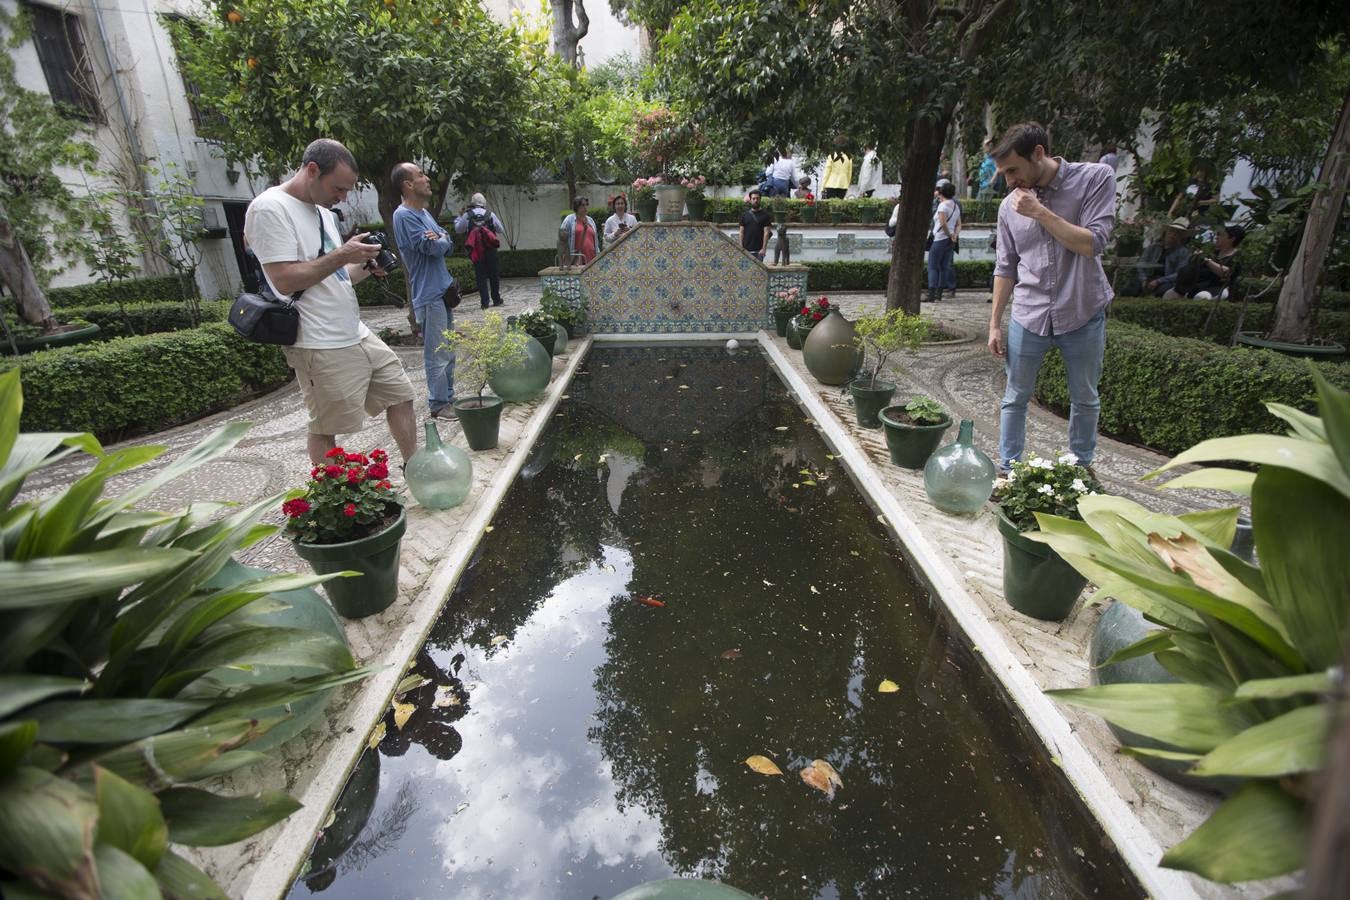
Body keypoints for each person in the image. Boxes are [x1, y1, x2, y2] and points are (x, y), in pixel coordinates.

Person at [244, 138, 417, 467]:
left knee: (401, 393)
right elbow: (284, 280)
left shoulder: (322, 213)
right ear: (312, 170)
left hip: (355, 331)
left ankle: (415, 470)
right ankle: (337, 506)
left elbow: (336, 276)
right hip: (318, 340)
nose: (343, 197)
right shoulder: (270, 208)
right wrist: (342, 255)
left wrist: (364, 266)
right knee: (327, 427)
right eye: (338, 188)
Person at [987, 122, 1116, 474]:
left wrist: (1040, 212)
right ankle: (1008, 470)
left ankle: (1080, 470)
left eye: (1013, 169)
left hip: (1082, 311)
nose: (1009, 180)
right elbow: (1005, 267)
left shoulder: (1095, 179)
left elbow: (1092, 243)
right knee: (1014, 397)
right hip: (1030, 314)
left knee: (1085, 399)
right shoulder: (1007, 207)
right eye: (1004, 173)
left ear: (1038, 154)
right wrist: (994, 324)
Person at [391, 162, 456, 420]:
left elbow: (446, 242)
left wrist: (440, 237)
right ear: (408, 184)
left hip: (443, 290)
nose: (426, 178)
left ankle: (448, 397)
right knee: (437, 351)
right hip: (428, 295)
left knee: (448, 349)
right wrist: (440, 239)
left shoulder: (425, 213)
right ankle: (439, 403)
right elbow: (432, 248)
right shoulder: (403, 216)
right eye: (420, 175)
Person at [452, 192, 505, 308]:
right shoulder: (490, 214)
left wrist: (459, 217)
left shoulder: (467, 215)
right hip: (490, 249)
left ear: (472, 203)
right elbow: (500, 229)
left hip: (476, 251)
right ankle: (496, 299)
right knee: (494, 275)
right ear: (484, 203)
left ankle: (484, 302)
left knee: (480, 276)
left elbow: (458, 230)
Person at [1167, 223, 1245, 299]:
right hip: (1198, 286)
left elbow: (1226, 272)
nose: (1216, 237)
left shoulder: (1236, 256)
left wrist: (1207, 261)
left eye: (1220, 235)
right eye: (1217, 234)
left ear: (1232, 238)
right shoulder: (1213, 252)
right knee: (1170, 294)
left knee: (1201, 297)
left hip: (1217, 288)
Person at [1137, 218, 1193, 296]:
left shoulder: (1183, 252)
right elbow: (1141, 264)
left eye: (1177, 233)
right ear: (1166, 232)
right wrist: (1143, 279)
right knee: (1129, 290)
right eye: (1171, 231)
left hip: (1166, 281)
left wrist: (1158, 281)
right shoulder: (1153, 247)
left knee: (1160, 292)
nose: (1173, 235)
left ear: (1181, 237)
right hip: (1147, 278)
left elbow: (1179, 273)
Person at [927, 181, 961, 303]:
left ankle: (931, 294)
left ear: (941, 192)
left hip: (940, 238)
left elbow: (942, 223)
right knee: (944, 267)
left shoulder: (942, 206)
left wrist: (948, 234)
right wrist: (954, 235)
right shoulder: (955, 206)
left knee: (932, 266)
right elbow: (959, 224)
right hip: (950, 241)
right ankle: (939, 294)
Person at [559, 196, 598, 266]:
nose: (585, 207)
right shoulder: (569, 220)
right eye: (583, 205)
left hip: (592, 259)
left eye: (586, 204)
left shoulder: (591, 221)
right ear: (577, 206)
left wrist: (598, 255)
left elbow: (595, 241)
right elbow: (562, 239)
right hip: (576, 260)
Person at [738, 189, 773, 261]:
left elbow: (766, 233)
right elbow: (741, 232)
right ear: (750, 200)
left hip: (759, 251)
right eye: (753, 198)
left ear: (760, 200)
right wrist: (741, 247)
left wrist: (763, 249)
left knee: (759, 272)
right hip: (745, 250)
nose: (755, 200)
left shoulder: (766, 215)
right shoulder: (744, 215)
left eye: (757, 198)